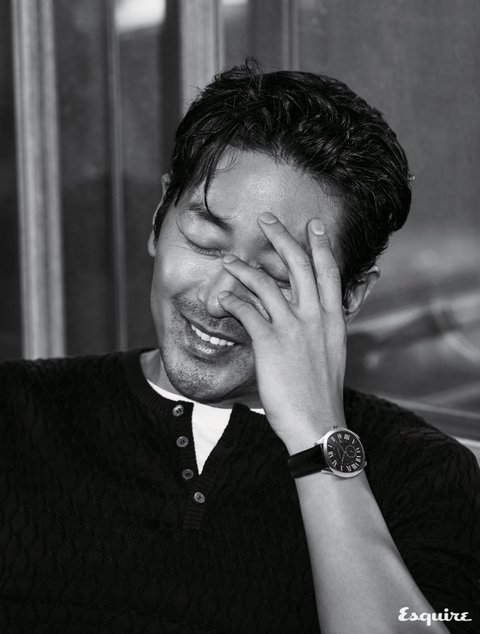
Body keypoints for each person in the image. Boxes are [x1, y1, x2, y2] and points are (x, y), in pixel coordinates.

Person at [1, 61, 479, 633]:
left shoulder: (425, 476)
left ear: (350, 296)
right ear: (158, 219)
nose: (219, 297)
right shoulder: (16, 413)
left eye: (276, 275)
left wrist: (318, 440)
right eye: (205, 241)